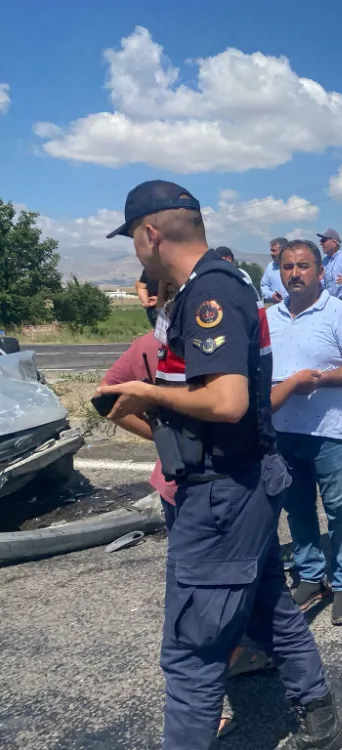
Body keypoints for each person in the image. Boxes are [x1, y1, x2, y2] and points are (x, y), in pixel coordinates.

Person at [96, 180, 342, 750]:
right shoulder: (224, 283)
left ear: (150, 234)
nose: (135, 251)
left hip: (221, 496)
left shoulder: (208, 291)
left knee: (191, 650)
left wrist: (148, 393)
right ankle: (321, 724)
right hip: (244, 483)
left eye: (134, 240)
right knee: (271, 611)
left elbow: (229, 401)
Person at [99, 283, 275, 740]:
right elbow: (108, 397)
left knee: (220, 600)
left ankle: (240, 662)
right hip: (187, 490)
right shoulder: (152, 347)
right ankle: (213, 701)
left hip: (217, 487)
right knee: (202, 612)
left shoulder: (203, 342)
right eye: (154, 295)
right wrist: (162, 437)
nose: (158, 303)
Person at [267, 239, 342, 625]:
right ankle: (311, 575)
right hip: (284, 431)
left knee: (339, 512)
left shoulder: (338, 313)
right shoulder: (270, 318)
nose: (295, 273)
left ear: (320, 272)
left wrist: (320, 381)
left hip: (328, 432)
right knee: (296, 509)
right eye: (288, 267)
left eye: (303, 266)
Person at [261, 237, 289, 304]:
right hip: (277, 309)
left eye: (274, 250)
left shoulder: (295, 266)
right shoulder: (270, 267)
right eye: (271, 250)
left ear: (283, 251)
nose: (271, 253)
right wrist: (272, 295)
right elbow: (264, 287)